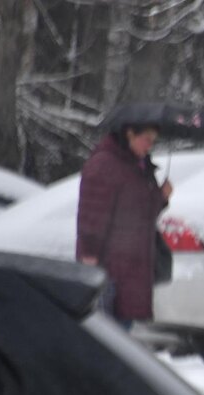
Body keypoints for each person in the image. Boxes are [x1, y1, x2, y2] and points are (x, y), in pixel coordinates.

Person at [76, 123, 173, 327]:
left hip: (132, 268)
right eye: (146, 139)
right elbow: (91, 215)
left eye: (153, 141)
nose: (150, 146)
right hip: (107, 269)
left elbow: (141, 214)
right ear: (130, 133)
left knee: (120, 339)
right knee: (103, 338)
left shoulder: (140, 167)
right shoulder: (105, 164)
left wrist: (160, 197)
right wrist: (90, 259)